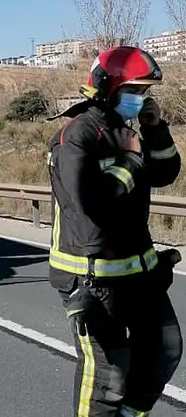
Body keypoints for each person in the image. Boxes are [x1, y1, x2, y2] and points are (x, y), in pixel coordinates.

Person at [46, 45, 183, 417]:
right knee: (109, 375)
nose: (140, 99)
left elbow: (165, 173)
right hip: (90, 280)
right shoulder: (75, 136)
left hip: (139, 274)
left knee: (164, 349)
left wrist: (155, 132)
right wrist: (130, 161)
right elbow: (86, 202)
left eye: (144, 92)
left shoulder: (126, 129)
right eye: (134, 91)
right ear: (108, 87)